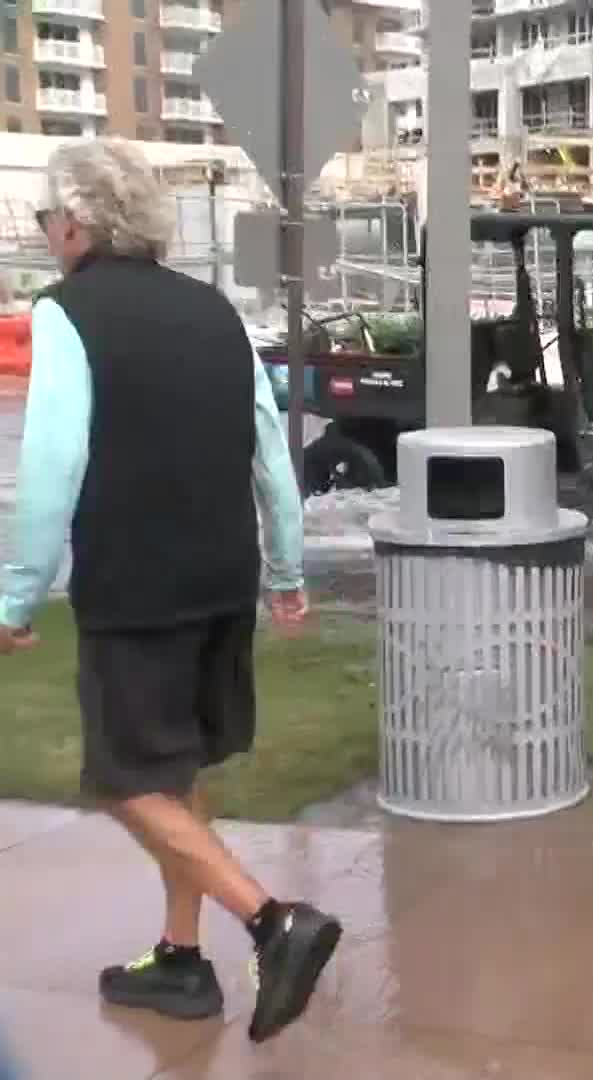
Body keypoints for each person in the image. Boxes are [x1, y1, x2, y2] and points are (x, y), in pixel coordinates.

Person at [0, 139, 340, 1044]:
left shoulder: (67, 312)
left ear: (76, 222)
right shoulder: (215, 311)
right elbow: (271, 453)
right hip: (222, 579)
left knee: (122, 779)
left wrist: (13, 599)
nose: (45, 235)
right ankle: (180, 960)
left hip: (136, 588)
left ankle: (273, 921)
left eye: (45, 219)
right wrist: (289, 575)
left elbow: (51, 465)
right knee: (177, 771)